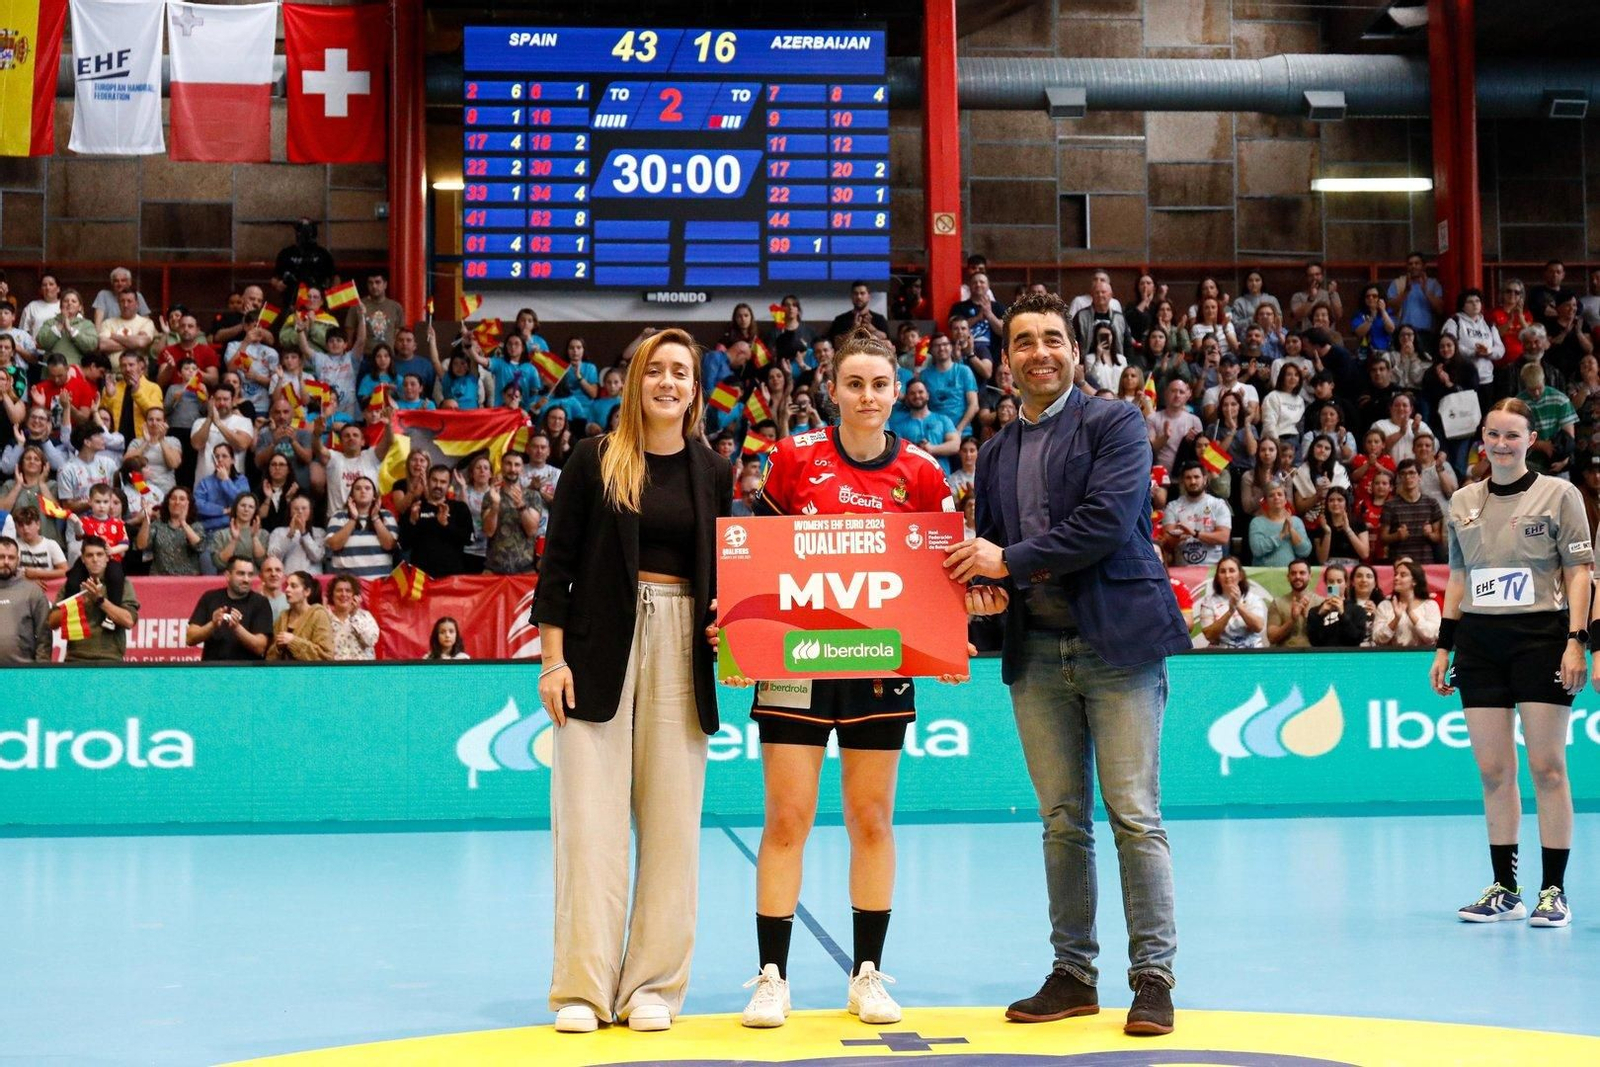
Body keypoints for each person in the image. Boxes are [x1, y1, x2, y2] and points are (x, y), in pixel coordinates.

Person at [947, 291, 1188, 1036]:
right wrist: (984, 594)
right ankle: (1073, 972)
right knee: (1060, 821)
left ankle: (1153, 978)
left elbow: (1106, 524)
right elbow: (990, 556)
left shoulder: (1114, 421)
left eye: (1053, 338)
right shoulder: (993, 452)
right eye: (1024, 342)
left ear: (1075, 351)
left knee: (1135, 817)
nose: (1040, 352)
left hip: (1117, 645)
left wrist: (1006, 560)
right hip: (1038, 652)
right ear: (1006, 359)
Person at [728, 330, 957, 1032]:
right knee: (787, 819)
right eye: (853, 383)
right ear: (833, 389)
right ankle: (773, 977)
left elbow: (939, 574)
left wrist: (948, 633)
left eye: (879, 384)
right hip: (798, 663)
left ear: (896, 391)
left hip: (878, 666)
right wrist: (741, 634)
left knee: (870, 819)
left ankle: (866, 975)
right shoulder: (793, 458)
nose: (866, 396)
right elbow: (760, 555)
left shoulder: (920, 472)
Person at [534, 328, 732, 1035]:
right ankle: (583, 989)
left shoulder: (714, 469)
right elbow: (555, 567)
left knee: (673, 827)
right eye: (657, 370)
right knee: (590, 828)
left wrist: (722, 625)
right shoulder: (594, 459)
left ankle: (652, 984)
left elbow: (726, 574)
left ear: (695, 387)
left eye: (682, 371)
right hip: (595, 650)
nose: (669, 382)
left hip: (683, 651)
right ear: (636, 382)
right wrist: (553, 659)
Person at [1431, 398, 1592, 929]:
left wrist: (1578, 641)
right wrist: (1443, 646)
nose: (1502, 444)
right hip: (1479, 643)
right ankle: (1506, 888)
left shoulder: (1560, 494)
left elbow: (1579, 573)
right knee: (1494, 771)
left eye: (1513, 435)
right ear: (1482, 438)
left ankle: (1554, 891)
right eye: (1493, 435)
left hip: (1541, 638)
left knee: (1547, 767)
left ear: (1529, 440)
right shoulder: (1461, 501)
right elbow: (1458, 579)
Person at [48, 536, 138, 662]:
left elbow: (129, 621)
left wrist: (100, 600)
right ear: (83, 559)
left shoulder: (122, 584)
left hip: (110, 660)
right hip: (75, 659)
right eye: (90, 555)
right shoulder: (72, 584)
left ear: (107, 558)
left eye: (99, 554)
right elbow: (52, 622)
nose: (95, 559)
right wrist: (79, 602)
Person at [185, 556, 273, 661]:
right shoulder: (210, 598)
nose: (246, 579)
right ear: (227, 575)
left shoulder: (260, 603)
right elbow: (190, 638)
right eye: (241, 574)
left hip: (247, 672)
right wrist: (212, 625)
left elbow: (260, 648)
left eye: (250, 575)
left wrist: (237, 628)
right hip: (212, 670)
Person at [399, 465, 474, 577]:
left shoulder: (459, 508)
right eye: (434, 480)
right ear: (427, 481)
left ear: (449, 485)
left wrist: (446, 524)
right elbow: (404, 544)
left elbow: (469, 539)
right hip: (421, 579)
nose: (438, 485)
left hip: (452, 578)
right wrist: (412, 522)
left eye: (443, 482)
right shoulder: (415, 508)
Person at [1161, 461, 1231, 567]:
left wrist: (1195, 534)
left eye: (1196, 477)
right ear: (1182, 481)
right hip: (1182, 570)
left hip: (1212, 569)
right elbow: (1166, 543)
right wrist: (1179, 536)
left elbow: (1223, 537)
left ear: (1205, 479)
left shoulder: (1218, 505)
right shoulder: (1172, 507)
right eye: (1188, 478)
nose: (1193, 481)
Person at [0, 536, 51, 663]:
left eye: (11, 557)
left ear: (18, 560)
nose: (6, 562)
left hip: (23, 672)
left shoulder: (33, 592)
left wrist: (40, 671)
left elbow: (44, 637)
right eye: (1, 557)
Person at [1371, 558, 1440, 648]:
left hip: (1423, 656)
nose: (1396, 578)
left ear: (1414, 581)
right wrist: (1396, 619)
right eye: (1395, 574)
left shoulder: (1430, 605)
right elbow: (1377, 638)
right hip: (1391, 656)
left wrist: (1411, 613)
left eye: (1402, 575)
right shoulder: (1385, 606)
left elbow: (1432, 636)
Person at [268, 570, 334, 661]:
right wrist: (277, 648)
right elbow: (269, 657)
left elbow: (325, 656)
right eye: (287, 585)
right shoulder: (282, 617)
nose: (287, 590)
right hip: (283, 673)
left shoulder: (318, 615)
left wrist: (292, 642)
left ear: (306, 592)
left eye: (293, 586)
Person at [1249, 485, 1311, 567]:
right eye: (1271, 495)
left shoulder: (1296, 521)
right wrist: (1281, 535)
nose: (1276, 497)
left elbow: (1305, 552)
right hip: (1264, 574)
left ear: (1285, 500)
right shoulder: (1257, 522)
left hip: (1291, 574)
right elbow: (1257, 550)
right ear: (1266, 501)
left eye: (1280, 494)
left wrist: (1291, 529)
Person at [1308, 563, 1369, 647]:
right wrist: (1319, 616)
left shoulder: (1358, 610)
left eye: (1339, 581)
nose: (1335, 585)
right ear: (1326, 584)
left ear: (1346, 584)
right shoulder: (1314, 612)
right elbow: (1314, 641)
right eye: (1331, 581)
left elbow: (1356, 639)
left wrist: (1342, 614)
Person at [1267, 559, 1322, 648]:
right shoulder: (1277, 603)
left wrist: (1308, 617)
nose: (1297, 576)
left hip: (1313, 656)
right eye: (1293, 573)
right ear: (1288, 577)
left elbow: (1325, 638)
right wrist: (1292, 620)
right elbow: (1272, 638)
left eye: (1302, 573)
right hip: (1285, 657)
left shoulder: (1321, 602)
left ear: (1310, 576)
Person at [325, 574, 379, 660]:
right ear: (332, 595)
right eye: (339, 590)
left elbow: (370, 641)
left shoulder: (365, 617)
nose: (343, 594)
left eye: (348, 591)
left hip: (362, 670)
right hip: (335, 671)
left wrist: (354, 616)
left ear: (355, 596)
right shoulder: (325, 618)